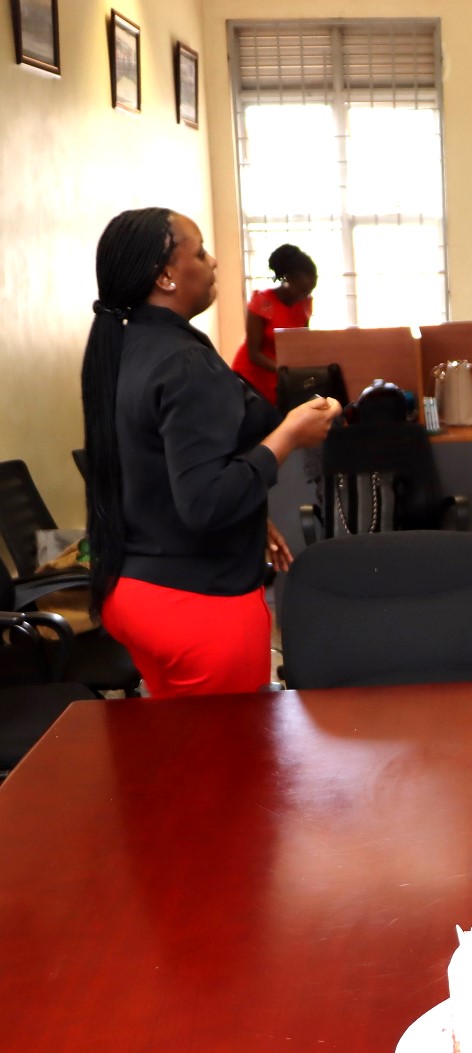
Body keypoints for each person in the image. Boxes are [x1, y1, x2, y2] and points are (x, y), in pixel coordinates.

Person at [81, 208, 340, 697]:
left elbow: (157, 465)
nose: (214, 261)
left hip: (133, 592)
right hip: (196, 606)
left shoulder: (128, 346)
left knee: (183, 742)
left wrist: (251, 515)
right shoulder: (185, 363)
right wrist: (288, 435)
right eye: (200, 252)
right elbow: (206, 503)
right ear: (165, 276)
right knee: (231, 748)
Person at [229, 243, 317, 406]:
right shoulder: (263, 302)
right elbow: (254, 353)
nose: (306, 295)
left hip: (282, 377)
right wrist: (285, 370)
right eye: (303, 290)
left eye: (310, 289)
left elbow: (301, 342)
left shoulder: (304, 302)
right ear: (287, 280)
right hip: (253, 377)